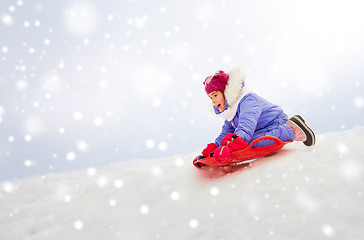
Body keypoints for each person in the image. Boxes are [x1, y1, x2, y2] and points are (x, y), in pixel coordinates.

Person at [198, 68, 315, 162]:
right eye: (210, 97)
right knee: (244, 143)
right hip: (263, 127)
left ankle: (291, 130)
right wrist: (216, 147)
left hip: (275, 121)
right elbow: (227, 131)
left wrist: (236, 141)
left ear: (225, 92)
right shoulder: (231, 110)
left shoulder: (248, 100)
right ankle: (289, 127)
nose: (213, 101)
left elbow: (247, 123)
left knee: (252, 144)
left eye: (215, 95)